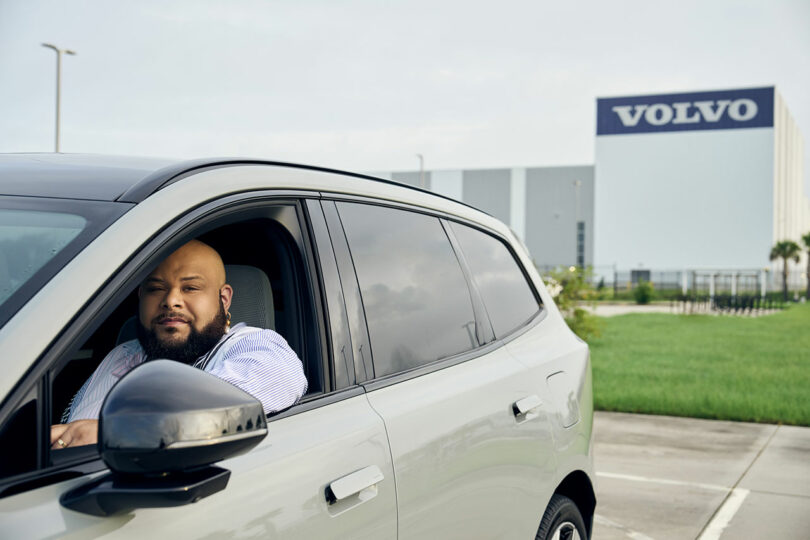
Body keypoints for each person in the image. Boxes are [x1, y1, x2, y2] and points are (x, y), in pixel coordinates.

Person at [50, 239, 307, 449]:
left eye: (190, 288)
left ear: (224, 299)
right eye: (156, 288)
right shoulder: (122, 355)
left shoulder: (253, 346)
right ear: (140, 298)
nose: (171, 300)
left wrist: (123, 430)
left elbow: (274, 376)